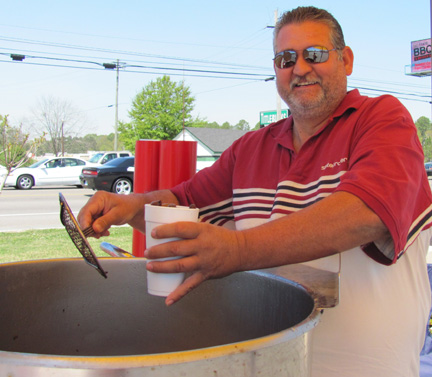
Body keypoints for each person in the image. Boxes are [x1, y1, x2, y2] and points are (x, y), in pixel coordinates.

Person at [78, 6, 432, 377]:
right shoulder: (251, 148)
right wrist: (132, 206)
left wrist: (237, 250)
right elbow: (182, 205)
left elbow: (369, 211)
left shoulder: (382, 119)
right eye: (285, 59)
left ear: (346, 60)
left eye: (314, 54)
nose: (299, 68)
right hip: (268, 365)